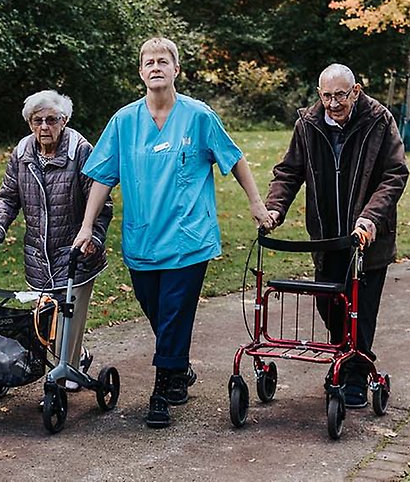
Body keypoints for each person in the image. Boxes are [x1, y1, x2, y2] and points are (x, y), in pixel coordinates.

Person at [72, 37, 272, 429]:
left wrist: (255, 202)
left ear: (176, 69)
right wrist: (85, 226)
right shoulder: (124, 121)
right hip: (143, 240)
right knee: (159, 313)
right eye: (149, 62)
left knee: (174, 313)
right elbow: (100, 178)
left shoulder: (198, 116)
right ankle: (178, 369)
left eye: (164, 61)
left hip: (188, 240)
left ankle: (161, 392)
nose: (156, 67)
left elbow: (234, 160)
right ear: (141, 72)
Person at [264, 63, 409, 409]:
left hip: (367, 239)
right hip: (327, 238)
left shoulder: (379, 120)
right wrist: (274, 209)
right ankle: (343, 358)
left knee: (361, 308)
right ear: (319, 95)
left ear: (356, 91)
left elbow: (395, 173)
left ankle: (356, 374)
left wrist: (371, 217)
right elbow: (289, 172)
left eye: (340, 95)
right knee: (330, 305)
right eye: (327, 96)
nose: (333, 103)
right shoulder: (308, 124)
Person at [0, 90, 113, 391]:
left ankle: (63, 376)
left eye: (51, 120)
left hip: (77, 253)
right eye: (37, 120)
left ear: (64, 121)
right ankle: (76, 357)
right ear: (29, 123)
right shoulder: (22, 153)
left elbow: (101, 202)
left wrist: (93, 235)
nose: (44, 127)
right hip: (38, 257)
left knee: (70, 318)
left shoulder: (80, 150)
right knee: (47, 322)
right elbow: (8, 197)